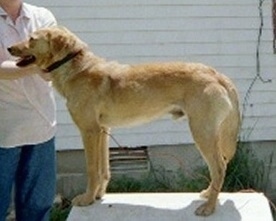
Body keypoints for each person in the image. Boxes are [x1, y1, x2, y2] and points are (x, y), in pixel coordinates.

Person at [0, 1, 57, 220]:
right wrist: (38, 66)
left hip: (41, 126)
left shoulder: (41, 16)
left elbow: (58, 56)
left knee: (37, 208)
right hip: (5, 128)